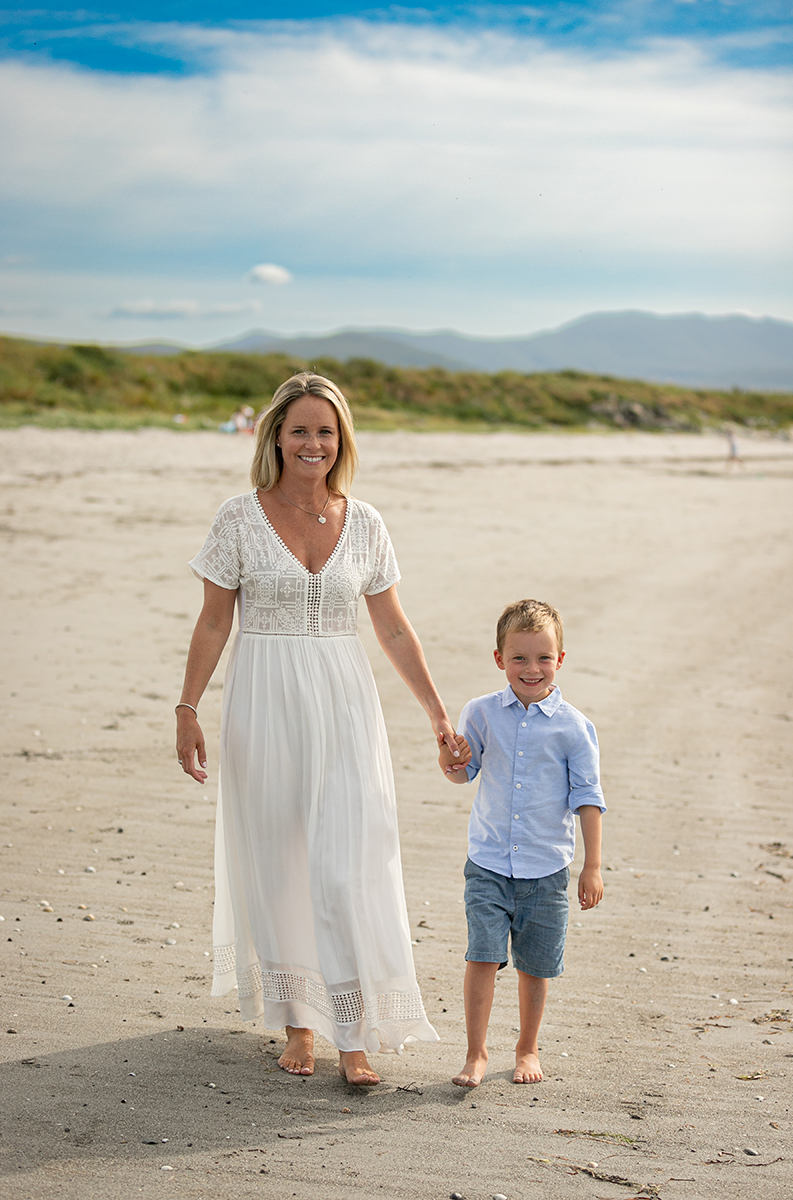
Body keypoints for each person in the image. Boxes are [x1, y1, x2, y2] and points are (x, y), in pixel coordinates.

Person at [176, 372, 459, 1086]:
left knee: (347, 860)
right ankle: (302, 1023)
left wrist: (436, 713)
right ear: (275, 435)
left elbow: (392, 629)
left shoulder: (363, 521)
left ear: (342, 441)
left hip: (343, 700)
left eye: (325, 431)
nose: (313, 443)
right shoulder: (238, 517)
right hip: (262, 697)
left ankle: (354, 1032)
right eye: (299, 429)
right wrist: (187, 708)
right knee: (279, 861)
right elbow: (214, 621)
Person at [438, 599, 605, 1088]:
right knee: (481, 956)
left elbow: (588, 799)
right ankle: (476, 1052)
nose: (531, 669)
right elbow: (460, 773)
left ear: (560, 659)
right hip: (488, 862)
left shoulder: (574, 727)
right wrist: (448, 754)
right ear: (499, 659)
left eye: (543, 658)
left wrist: (592, 866)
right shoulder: (482, 712)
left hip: (547, 870)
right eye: (519, 658)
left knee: (536, 967)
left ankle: (527, 1048)